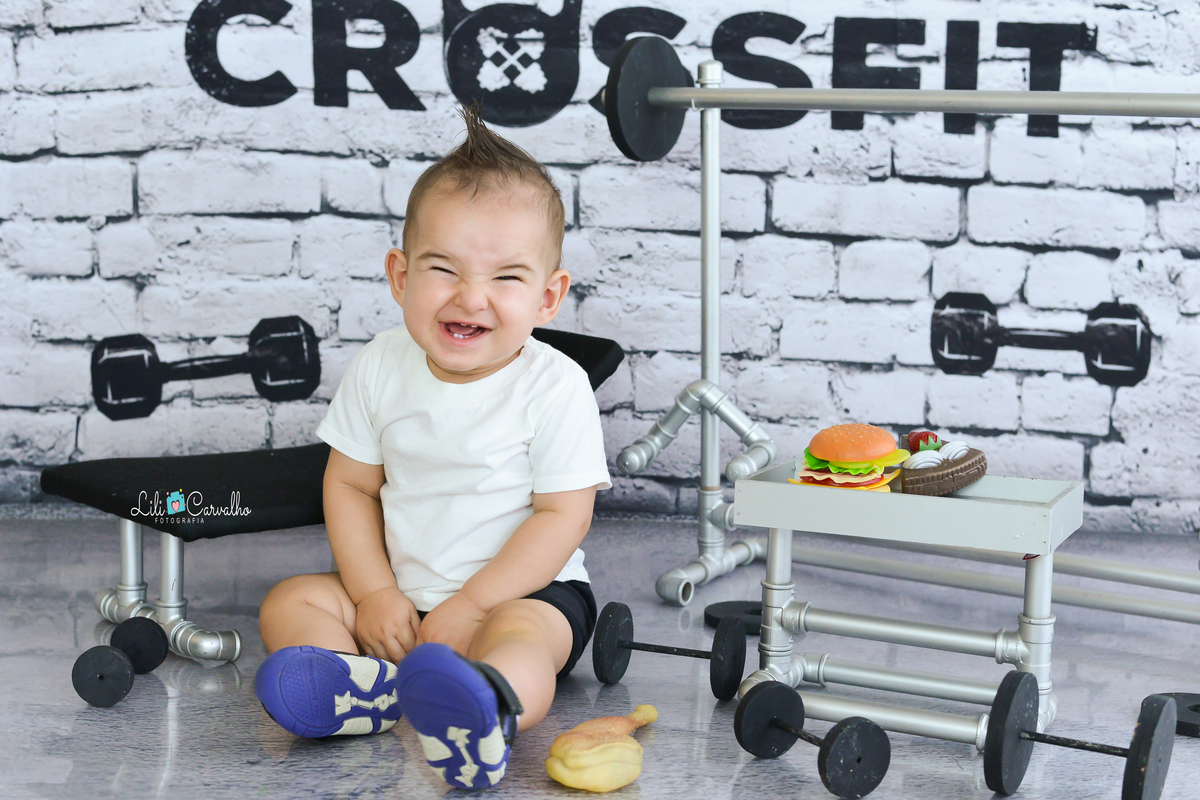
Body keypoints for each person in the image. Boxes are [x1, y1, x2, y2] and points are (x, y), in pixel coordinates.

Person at [252, 105, 610, 790]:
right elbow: (350, 486)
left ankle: (485, 710)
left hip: (521, 592)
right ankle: (363, 690)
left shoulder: (555, 386)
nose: (471, 296)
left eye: (507, 277)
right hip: (403, 596)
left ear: (548, 297)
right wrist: (376, 592)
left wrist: (473, 606)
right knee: (291, 601)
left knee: (526, 643)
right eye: (443, 269)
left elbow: (563, 516)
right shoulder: (382, 365)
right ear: (401, 276)